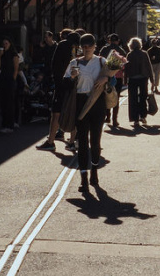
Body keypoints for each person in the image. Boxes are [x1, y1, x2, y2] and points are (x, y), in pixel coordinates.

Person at [65, 33, 108, 192]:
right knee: (82, 141)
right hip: (81, 103)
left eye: (89, 45)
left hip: (97, 103)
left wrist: (106, 79)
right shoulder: (74, 63)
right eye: (84, 46)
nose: (87, 48)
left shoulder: (102, 61)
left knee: (95, 141)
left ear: (95, 46)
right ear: (80, 48)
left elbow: (115, 80)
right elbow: (65, 85)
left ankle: (94, 172)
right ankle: (83, 177)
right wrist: (72, 78)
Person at [37, 31, 79, 151]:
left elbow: (54, 64)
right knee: (73, 113)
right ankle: (72, 141)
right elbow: (77, 66)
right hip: (74, 85)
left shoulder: (62, 45)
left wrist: (56, 79)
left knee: (56, 113)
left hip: (61, 84)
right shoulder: (78, 48)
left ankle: (51, 141)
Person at [124, 37, 154, 128]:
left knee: (133, 99)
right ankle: (143, 116)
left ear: (131, 45)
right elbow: (149, 66)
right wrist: (152, 80)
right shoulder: (144, 54)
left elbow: (126, 68)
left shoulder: (129, 54)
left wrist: (125, 79)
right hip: (143, 78)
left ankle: (135, 119)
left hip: (132, 78)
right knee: (143, 97)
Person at [0, 37, 20, 134]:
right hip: (2, 78)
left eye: (6, 43)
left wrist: (13, 80)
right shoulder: (2, 55)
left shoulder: (14, 55)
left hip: (10, 79)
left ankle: (9, 124)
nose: (4, 45)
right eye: (3, 43)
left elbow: (16, 69)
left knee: (9, 102)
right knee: (3, 102)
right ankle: (5, 122)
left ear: (10, 44)